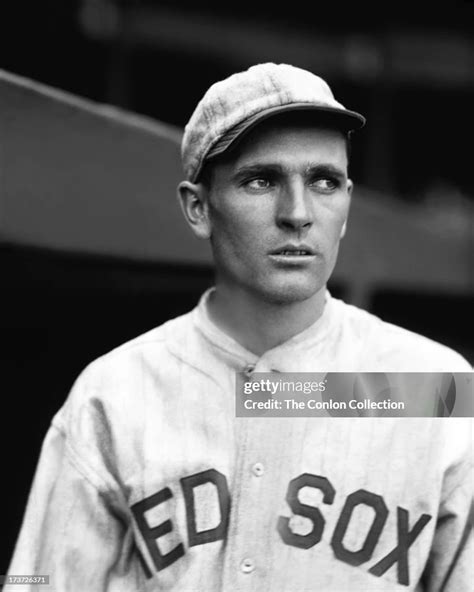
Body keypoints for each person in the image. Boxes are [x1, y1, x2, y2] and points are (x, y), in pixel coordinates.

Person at [6, 63, 472, 591]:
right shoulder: (113, 394)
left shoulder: (435, 385)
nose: (297, 213)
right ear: (199, 208)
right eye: (261, 180)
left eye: (324, 181)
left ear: (346, 204)